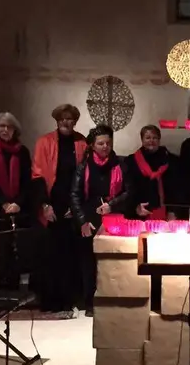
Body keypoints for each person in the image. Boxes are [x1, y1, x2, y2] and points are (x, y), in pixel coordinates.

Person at [71, 125, 131, 313]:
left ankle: (112, 299)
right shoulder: (84, 165)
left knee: (111, 261)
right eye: (100, 143)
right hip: (89, 217)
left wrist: (112, 205)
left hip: (114, 216)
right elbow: (74, 195)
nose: (105, 146)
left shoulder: (120, 164)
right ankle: (90, 302)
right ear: (92, 145)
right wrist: (82, 221)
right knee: (88, 263)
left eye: (108, 143)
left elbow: (130, 192)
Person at [31, 106, 84, 312]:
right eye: (63, 118)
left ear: (75, 121)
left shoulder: (81, 143)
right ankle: (51, 300)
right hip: (51, 203)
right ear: (56, 120)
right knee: (51, 253)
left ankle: (69, 299)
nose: (66, 122)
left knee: (70, 254)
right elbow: (37, 175)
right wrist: (45, 205)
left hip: (72, 204)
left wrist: (75, 206)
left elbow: (83, 177)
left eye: (70, 119)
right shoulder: (43, 142)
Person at [125, 125, 173, 220]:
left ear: (159, 140)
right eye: (147, 138)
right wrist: (136, 207)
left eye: (154, 138)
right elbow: (129, 189)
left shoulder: (170, 160)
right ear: (142, 140)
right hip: (140, 214)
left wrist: (173, 211)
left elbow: (175, 188)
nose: (151, 141)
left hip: (166, 213)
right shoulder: (131, 161)